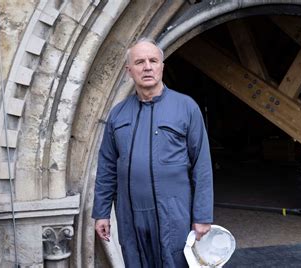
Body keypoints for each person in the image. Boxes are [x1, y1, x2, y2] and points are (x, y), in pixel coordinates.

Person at [92, 38, 214, 268]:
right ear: (129, 70)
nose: (147, 66)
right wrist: (102, 212)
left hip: (174, 213)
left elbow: (202, 165)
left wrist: (202, 216)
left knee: (174, 262)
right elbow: (107, 165)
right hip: (130, 214)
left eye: (153, 60)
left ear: (162, 66)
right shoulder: (118, 114)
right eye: (139, 62)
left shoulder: (186, 107)